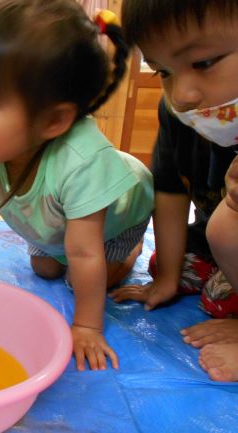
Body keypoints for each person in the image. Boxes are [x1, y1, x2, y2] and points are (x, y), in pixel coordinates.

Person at [0, 0, 154, 371]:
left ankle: (129, 251)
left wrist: (86, 326)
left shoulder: (82, 161)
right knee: (46, 268)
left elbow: (87, 254)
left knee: (81, 274)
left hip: (122, 209)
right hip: (55, 219)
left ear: (54, 121)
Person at [110, 0, 238, 382]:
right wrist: (165, 279)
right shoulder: (179, 114)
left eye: (203, 62)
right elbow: (168, 191)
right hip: (217, 247)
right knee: (169, 267)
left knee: (226, 229)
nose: (181, 93)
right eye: (162, 70)